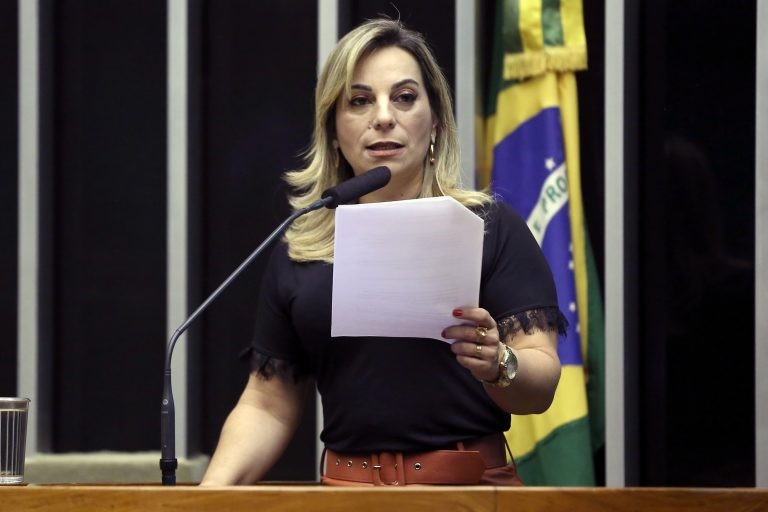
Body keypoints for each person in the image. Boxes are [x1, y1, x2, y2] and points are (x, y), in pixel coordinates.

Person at [200, 18, 565, 487]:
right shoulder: (304, 244)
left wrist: (499, 364)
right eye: (360, 101)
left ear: (436, 121)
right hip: (344, 494)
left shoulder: (489, 227)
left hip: (464, 490)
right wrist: (206, 499)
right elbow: (268, 404)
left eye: (405, 97)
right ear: (334, 130)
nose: (384, 117)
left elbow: (541, 384)